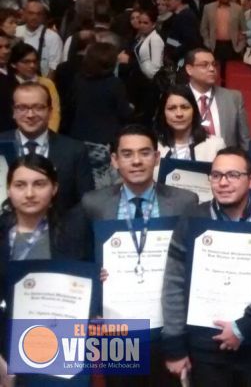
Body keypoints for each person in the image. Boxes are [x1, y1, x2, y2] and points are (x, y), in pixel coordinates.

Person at [68, 124, 199, 386]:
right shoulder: (93, 203)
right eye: (127, 154)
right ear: (114, 160)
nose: (137, 161)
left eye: (144, 153)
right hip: (117, 328)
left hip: (168, 324)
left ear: (157, 157)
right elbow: (79, 259)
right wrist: (92, 284)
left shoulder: (185, 201)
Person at [161, 147, 251, 385]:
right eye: (216, 175)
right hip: (204, 349)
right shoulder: (191, 220)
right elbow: (174, 283)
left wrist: (244, 327)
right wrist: (174, 345)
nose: (223, 183)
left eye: (233, 175)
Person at [0, 155, 89, 387]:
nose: (29, 193)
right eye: (20, 185)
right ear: (9, 189)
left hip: (59, 351)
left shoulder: (75, 234)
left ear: (54, 188)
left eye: (39, 184)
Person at [0, 82, 93, 215]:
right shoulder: (1, 145)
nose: (30, 115)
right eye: (22, 108)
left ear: (50, 111)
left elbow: (85, 202)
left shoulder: (74, 150)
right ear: (13, 112)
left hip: (59, 231)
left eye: (38, 107)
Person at [69, 42, 134, 187]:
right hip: (104, 141)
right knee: (103, 185)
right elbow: (124, 113)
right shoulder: (114, 84)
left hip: (79, 138)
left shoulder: (78, 80)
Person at [184, 48, 251, 150]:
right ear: (189, 69)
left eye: (214, 64)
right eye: (204, 65)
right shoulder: (177, 98)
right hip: (187, 162)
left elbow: (245, 140)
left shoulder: (233, 98)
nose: (212, 69)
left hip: (226, 162)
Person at [154, 84, 226, 161]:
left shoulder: (215, 145)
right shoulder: (154, 146)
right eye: (172, 108)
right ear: (163, 113)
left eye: (184, 107)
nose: (179, 114)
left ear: (194, 111)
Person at [8, 42, 61, 132]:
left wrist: (49, 134)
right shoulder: (6, 83)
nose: (32, 65)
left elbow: (55, 112)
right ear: (14, 64)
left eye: (34, 61)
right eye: (26, 62)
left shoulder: (47, 84)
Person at [200, 0, 246, 83]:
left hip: (232, 47)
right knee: (213, 75)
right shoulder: (208, 8)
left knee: (232, 77)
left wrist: (240, 46)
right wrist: (207, 42)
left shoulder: (238, 9)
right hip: (215, 46)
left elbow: (243, 30)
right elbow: (203, 28)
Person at [15, 1, 62, 76]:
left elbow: (54, 66)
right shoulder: (16, 31)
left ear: (43, 17)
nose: (34, 17)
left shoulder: (53, 37)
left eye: (38, 14)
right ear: (24, 14)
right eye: (31, 13)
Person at [160, 0, 203, 65]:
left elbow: (190, 43)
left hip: (183, 62)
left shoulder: (185, 16)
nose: (165, 2)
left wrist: (173, 55)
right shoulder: (177, 16)